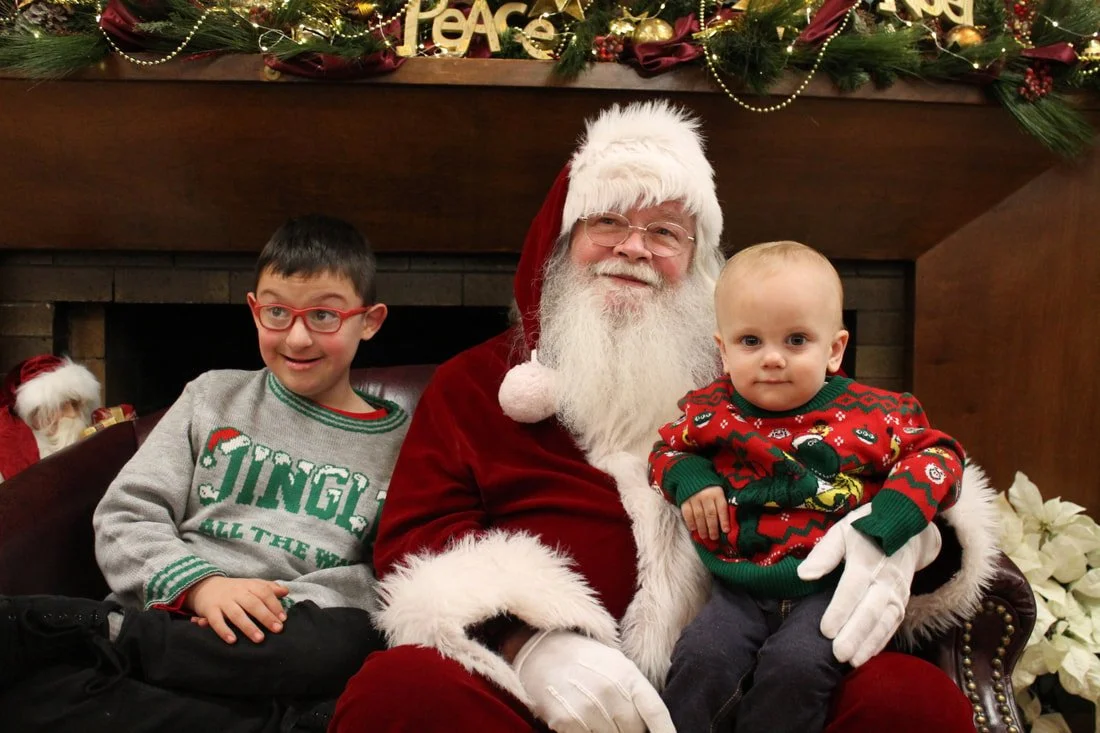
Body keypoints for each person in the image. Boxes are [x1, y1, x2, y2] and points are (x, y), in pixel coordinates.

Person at [332, 100, 999, 733]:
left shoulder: (755, 370)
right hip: (534, 703)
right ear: (561, 242)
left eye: (664, 232)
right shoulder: (475, 384)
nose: (633, 248)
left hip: (750, 689)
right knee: (399, 687)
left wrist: (912, 536)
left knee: (912, 700)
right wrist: (527, 642)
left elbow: (888, 448)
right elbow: (420, 540)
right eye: (608, 221)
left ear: (696, 261)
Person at [0, 214, 409, 732]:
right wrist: (202, 587)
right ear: (254, 310)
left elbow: (388, 575)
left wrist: (268, 611)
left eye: (324, 316)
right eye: (277, 312)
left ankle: (94, 638)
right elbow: (126, 515)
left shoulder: (405, 443)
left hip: (283, 638)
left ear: (369, 321)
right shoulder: (211, 396)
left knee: (349, 640)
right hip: (174, 614)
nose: (298, 337)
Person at [650, 240, 965, 732]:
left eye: (796, 340)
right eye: (750, 341)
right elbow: (666, 451)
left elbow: (939, 455)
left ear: (834, 349)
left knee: (795, 668)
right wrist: (692, 478)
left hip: (831, 586)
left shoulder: (873, 413)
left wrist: (890, 517)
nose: (772, 358)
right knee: (701, 657)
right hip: (739, 586)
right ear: (724, 351)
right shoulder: (712, 411)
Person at [0, 354, 102, 483]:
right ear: (35, 414)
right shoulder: (9, 450)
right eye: (61, 406)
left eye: (76, 404)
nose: (73, 414)